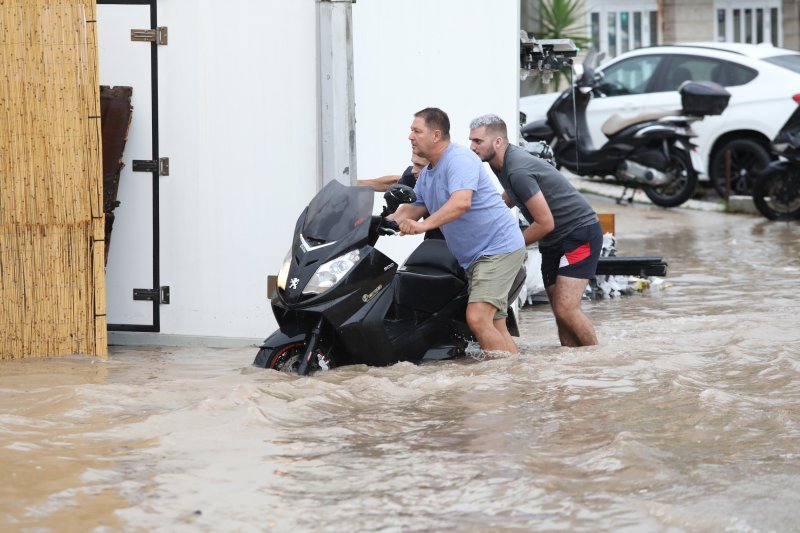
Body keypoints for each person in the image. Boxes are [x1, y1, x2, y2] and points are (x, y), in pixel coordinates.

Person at [389, 107, 526, 354]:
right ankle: (513, 381)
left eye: (416, 131)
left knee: (477, 318)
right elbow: (413, 208)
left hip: (497, 248)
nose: (410, 136)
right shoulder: (427, 175)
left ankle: (501, 384)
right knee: (495, 325)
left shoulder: (459, 159)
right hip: (477, 256)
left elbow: (461, 202)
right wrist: (376, 223)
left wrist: (423, 226)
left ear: (436, 135)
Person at [468, 113, 601, 347]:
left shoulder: (516, 168)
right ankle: (574, 370)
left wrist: (508, 246)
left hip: (578, 233)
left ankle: (595, 362)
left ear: (497, 142)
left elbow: (544, 222)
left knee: (566, 309)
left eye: (477, 141)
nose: (472, 147)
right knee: (560, 313)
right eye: (471, 140)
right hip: (553, 240)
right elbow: (512, 194)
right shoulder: (501, 164)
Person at [357, 153, 428, 192]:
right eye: (414, 164)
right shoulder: (412, 177)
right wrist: (356, 183)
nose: (413, 171)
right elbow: (393, 184)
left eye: (420, 165)